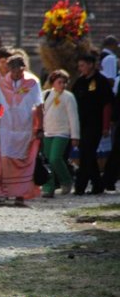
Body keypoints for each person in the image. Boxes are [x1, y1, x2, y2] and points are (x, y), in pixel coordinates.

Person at [0, 54, 43, 203]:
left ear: (23, 69)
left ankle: (21, 194)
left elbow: (39, 105)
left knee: (22, 161)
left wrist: (40, 127)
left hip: (25, 127)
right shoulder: (3, 83)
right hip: (7, 127)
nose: (16, 74)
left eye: (19, 71)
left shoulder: (32, 82)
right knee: (5, 158)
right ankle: (4, 191)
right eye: (13, 70)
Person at [72, 52, 113, 195]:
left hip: (95, 124)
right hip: (81, 124)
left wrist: (106, 126)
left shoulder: (101, 82)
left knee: (87, 153)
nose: (80, 68)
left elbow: (107, 105)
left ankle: (80, 186)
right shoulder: (80, 82)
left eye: (83, 65)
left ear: (91, 65)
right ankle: (98, 184)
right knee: (87, 153)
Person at [41, 69, 80, 198]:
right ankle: (49, 186)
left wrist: (75, 136)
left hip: (62, 132)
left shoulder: (68, 97)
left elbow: (73, 117)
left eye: (64, 82)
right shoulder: (46, 94)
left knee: (55, 158)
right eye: (59, 82)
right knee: (47, 161)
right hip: (48, 132)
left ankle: (66, 180)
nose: (62, 85)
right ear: (53, 82)